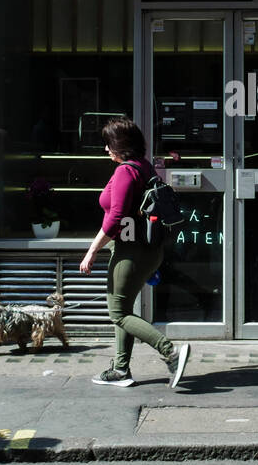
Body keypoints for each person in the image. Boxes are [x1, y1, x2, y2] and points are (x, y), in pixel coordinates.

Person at [80, 117, 191, 388]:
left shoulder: (125, 172)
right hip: (148, 250)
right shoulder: (143, 167)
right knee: (124, 309)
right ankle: (120, 370)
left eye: (108, 144)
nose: (106, 149)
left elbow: (115, 216)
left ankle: (171, 352)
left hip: (131, 252)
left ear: (120, 145)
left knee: (117, 313)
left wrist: (92, 250)